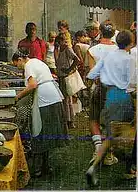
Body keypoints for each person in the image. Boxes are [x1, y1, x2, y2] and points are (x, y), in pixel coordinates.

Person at [86, 30, 136, 187]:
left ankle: (94, 166)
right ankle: (131, 167)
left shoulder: (108, 57)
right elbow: (132, 83)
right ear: (131, 43)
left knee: (110, 134)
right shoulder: (129, 59)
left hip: (110, 96)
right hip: (123, 96)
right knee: (128, 132)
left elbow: (91, 74)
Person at [13, 48, 67, 177]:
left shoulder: (28, 66)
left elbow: (32, 85)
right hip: (54, 97)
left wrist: (18, 97)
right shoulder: (36, 61)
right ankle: (45, 166)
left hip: (45, 100)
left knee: (39, 132)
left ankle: (37, 169)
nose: (19, 68)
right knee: (47, 133)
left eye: (17, 65)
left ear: (20, 60)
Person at [86, 23, 118, 166]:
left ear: (100, 32)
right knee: (111, 121)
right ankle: (109, 155)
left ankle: (98, 148)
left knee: (94, 118)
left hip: (99, 87)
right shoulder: (121, 49)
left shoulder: (93, 50)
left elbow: (92, 74)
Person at [55, 32, 84, 128]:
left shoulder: (67, 48)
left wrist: (69, 69)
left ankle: (69, 121)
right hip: (60, 76)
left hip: (66, 76)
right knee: (65, 99)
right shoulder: (59, 49)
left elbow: (77, 60)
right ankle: (67, 119)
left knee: (67, 99)